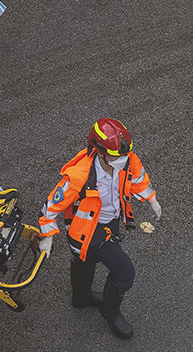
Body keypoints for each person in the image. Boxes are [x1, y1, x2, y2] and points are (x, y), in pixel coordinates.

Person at [38, 118, 161, 339]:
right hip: (86, 231)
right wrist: (47, 236)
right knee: (125, 273)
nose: (123, 159)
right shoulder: (78, 178)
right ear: (99, 152)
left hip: (107, 223)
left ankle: (81, 297)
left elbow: (138, 178)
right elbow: (51, 207)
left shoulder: (125, 159)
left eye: (124, 155)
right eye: (117, 156)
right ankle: (109, 311)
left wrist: (151, 199)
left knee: (85, 262)